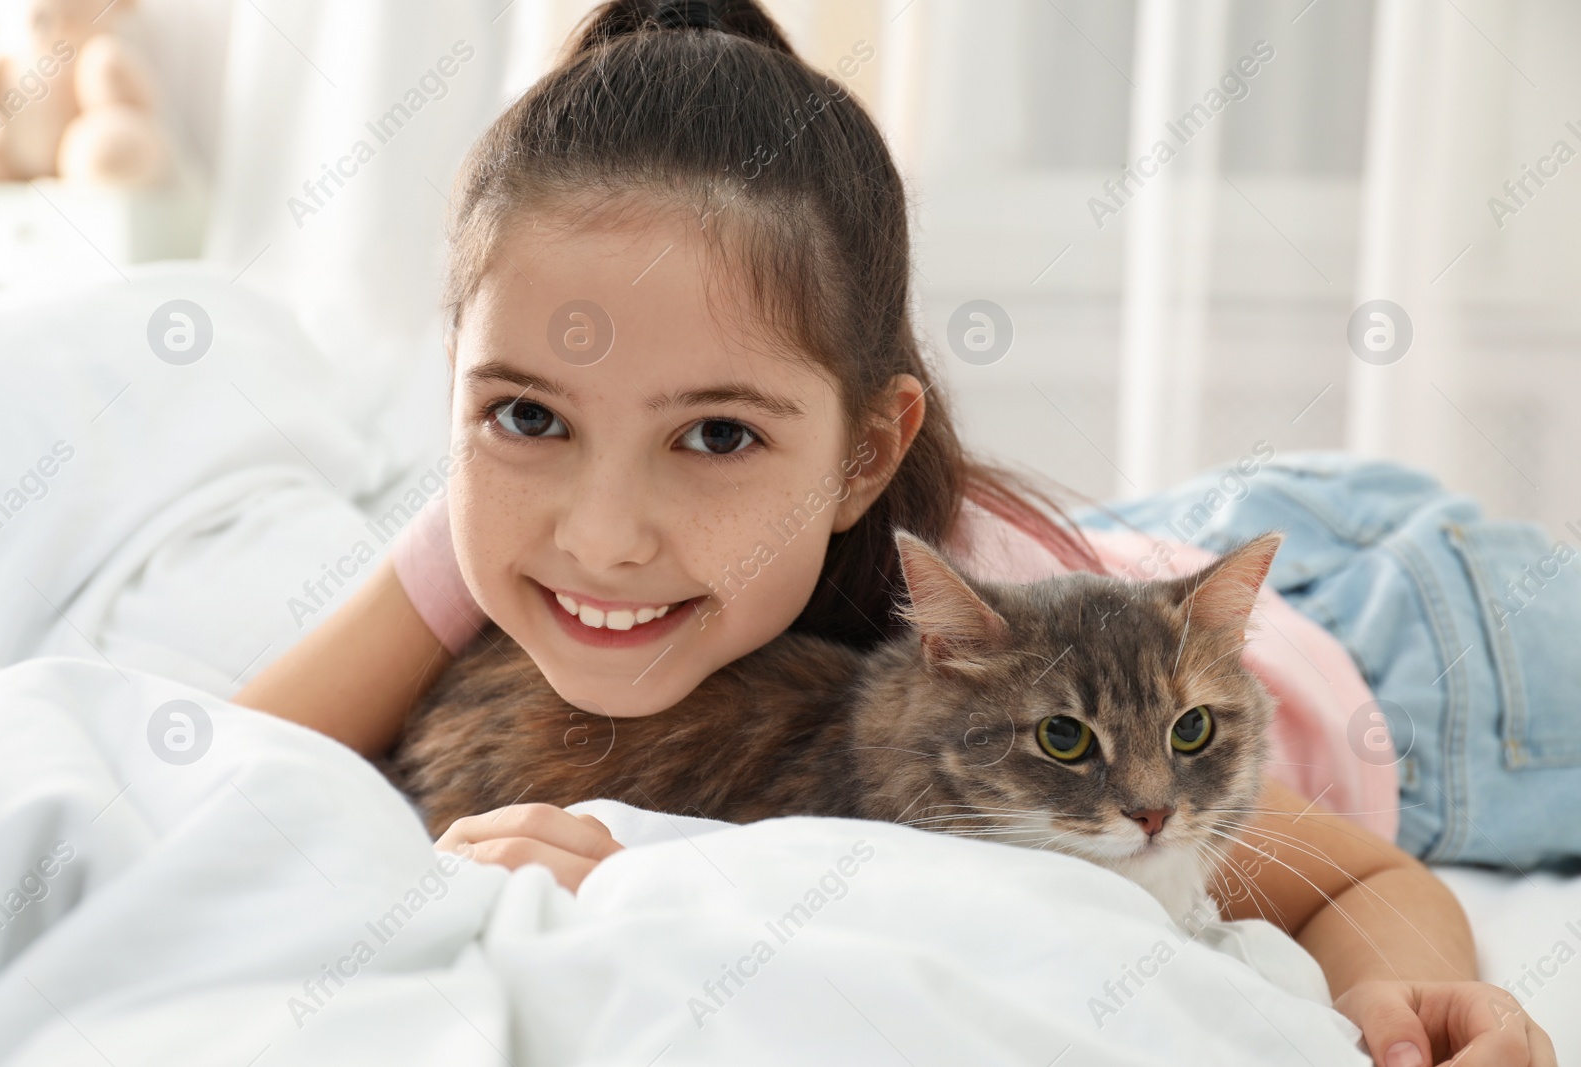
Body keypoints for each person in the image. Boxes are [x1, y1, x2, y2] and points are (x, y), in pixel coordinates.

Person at [236, 2, 1557, 1063]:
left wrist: (1422, 1006)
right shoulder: (503, 525)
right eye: (526, 414)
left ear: (867, 453)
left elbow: (1354, 882)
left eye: (714, 435)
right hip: (1164, 542)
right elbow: (228, 775)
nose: (605, 534)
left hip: (1426, 648)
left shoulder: (985, 627)